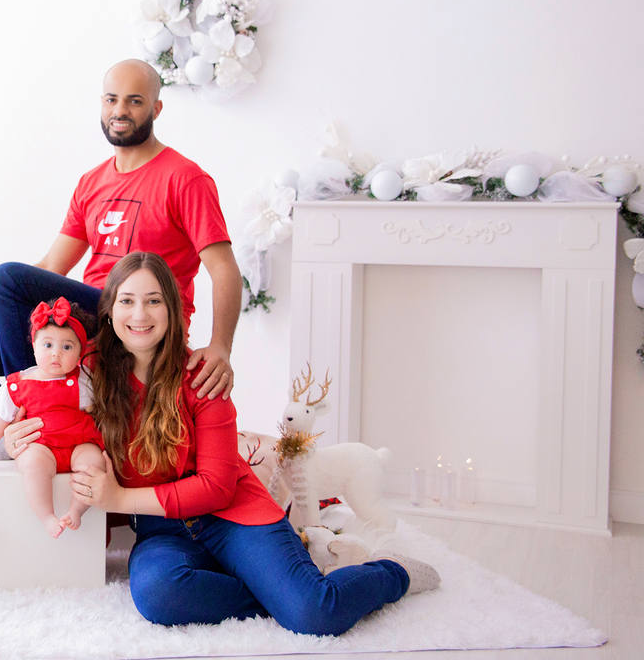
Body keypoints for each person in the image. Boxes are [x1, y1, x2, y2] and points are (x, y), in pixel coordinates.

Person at [28, 251, 440, 634]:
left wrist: (118, 499)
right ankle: (279, 591)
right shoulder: (88, 374)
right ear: (109, 310)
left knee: (315, 612)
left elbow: (216, 486)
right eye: (127, 301)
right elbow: (37, 396)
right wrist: (11, 431)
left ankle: (391, 572)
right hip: (163, 531)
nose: (139, 314)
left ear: (173, 310)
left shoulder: (204, 375)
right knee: (159, 595)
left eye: (154, 301)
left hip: (234, 517)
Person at [0, 59, 243, 440]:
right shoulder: (92, 182)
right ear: (101, 104)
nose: (120, 111)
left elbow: (224, 268)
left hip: (140, 316)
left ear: (156, 109)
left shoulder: (185, 178)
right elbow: (52, 265)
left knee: (5, 277)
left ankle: (29, 408)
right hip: (91, 316)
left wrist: (220, 347)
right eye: (112, 100)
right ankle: (11, 453)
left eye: (134, 101)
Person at [0, 297, 105, 538]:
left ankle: (76, 510)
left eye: (67, 347)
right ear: (33, 346)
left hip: (79, 443)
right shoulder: (18, 384)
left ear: (79, 354)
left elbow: (99, 412)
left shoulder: (84, 382)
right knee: (33, 465)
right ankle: (47, 515)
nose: (56, 354)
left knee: (94, 463)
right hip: (41, 445)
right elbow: (2, 417)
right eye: (48, 345)